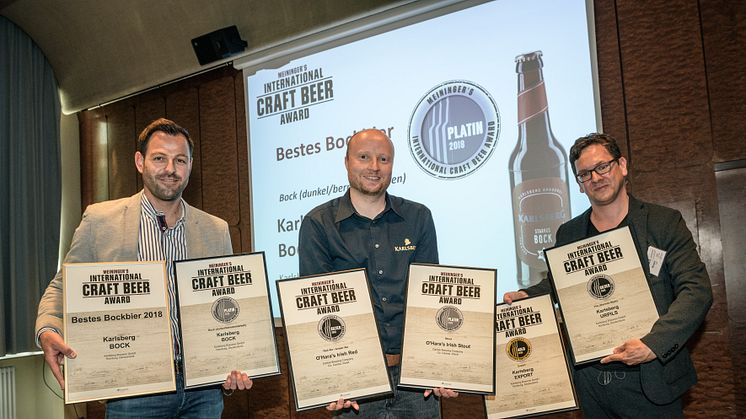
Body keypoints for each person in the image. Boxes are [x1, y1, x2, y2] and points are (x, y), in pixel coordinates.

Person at [35, 118, 253, 418]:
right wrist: (48, 328)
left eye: (180, 160)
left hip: (203, 391)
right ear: (140, 162)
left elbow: (227, 306)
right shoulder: (100, 221)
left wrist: (234, 363)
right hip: (134, 391)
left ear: (190, 165)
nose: (170, 169)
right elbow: (63, 286)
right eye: (159, 158)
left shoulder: (215, 229)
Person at [503, 132, 712, 418]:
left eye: (603, 167)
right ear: (579, 184)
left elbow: (696, 291)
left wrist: (653, 344)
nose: (596, 178)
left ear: (622, 166)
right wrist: (528, 295)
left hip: (651, 378)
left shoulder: (663, 222)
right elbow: (559, 283)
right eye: (585, 174)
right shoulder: (569, 233)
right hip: (593, 382)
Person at [298, 129, 458, 418]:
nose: (374, 167)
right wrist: (330, 381)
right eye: (364, 157)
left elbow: (433, 299)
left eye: (383, 159)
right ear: (347, 162)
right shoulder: (318, 224)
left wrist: (441, 365)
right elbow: (316, 313)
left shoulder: (419, 217)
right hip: (354, 385)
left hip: (416, 385)